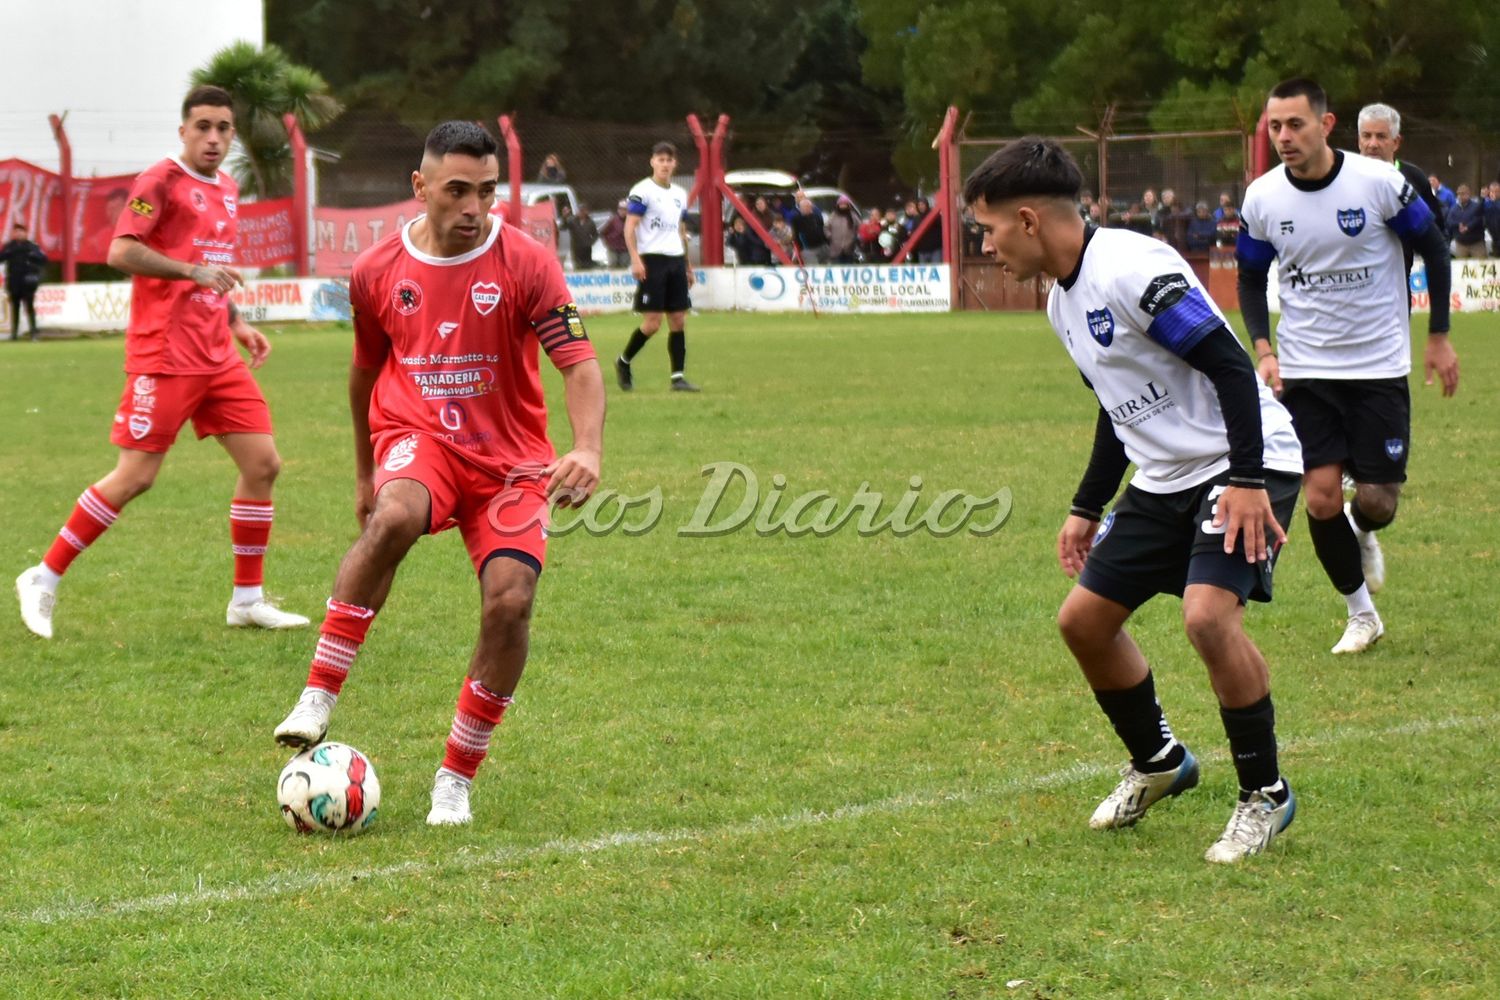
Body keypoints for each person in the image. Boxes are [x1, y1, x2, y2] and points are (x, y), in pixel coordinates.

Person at [965, 138, 1304, 864]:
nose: (986, 246)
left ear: (1027, 219)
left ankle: (1265, 797)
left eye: (988, 230)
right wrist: (1086, 506)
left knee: (1208, 618)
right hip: (1163, 478)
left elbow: (1228, 364)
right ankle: (1159, 761)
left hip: (1246, 461)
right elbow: (1118, 408)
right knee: (1083, 622)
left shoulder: (1130, 270)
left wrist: (1246, 480)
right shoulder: (1061, 301)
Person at [272, 120, 606, 827]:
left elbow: (577, 362)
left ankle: (454, 780)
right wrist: (365, 475)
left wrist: (588, 448)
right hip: (417, 436)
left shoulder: (526, 263)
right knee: (395, 517)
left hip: (512, 462)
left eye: (486, 191)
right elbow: (364, 374)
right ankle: (319, 694)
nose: (473, 207)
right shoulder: (375, 273)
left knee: (510, 603)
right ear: (419, 187)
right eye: (457, 190)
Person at [14, 85, 309, 640]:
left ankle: (246, 600)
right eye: (203, 127)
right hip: (165, 353)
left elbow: (214, 263)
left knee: (262, 464)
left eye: (224, 127)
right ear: (183, 130)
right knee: (136, 476)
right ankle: (43, 575)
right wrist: (190, 272)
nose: (215, 138)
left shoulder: (225, 186)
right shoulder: (160, 181)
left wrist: (237, 321)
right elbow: (120, 251)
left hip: (217, 355)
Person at [1237, 78, 1457, 655]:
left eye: (1295, 125)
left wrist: (1438, 336)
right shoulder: (1262, 198)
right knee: (1320, 497)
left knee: (1379, 501)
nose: (1284, 137)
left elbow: (1434, 248)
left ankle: (1361, 532)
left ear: (1326, 124)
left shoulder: (1379, 184)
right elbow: (1250, 275)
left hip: (1378, 365)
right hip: (1306, 369)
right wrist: (1263, 346)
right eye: (1275, 127)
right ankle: (1362, 614)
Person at [615, 141, 698, 393]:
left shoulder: (680, 194)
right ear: (652, 162)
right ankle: (623, 361)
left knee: (678, 319)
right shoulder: (642, 190)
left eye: (669, 160)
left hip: (674, 260)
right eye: (660, 159)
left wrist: (687, 265)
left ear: (675, 164)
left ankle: (678, 378)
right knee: (652, 323)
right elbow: (630, 227)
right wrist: (635, 258)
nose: (664, 164)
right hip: (652, 260)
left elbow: (681, 230)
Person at [1356, 103, 1448, 289]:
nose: (1372, 144)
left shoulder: (1414, 178)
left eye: (1381, 136)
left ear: (1396, 142)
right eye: (1367, 136)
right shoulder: (1342, 176)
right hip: (1351, 292)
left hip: (1397, 290)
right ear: (1359, 140)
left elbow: (1436, 233)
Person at [1, 222, 47, 340]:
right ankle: (14, 334)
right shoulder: (9, 246)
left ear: (25, 233)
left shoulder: (31, 246)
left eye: (20, 231)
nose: (18, 234)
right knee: (15, 308)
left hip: (28, 281)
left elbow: (43, 259)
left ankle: (34, 332)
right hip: (14, 281)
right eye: (16, 231)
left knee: (29, 307)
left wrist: (34, 257)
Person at [1447, 184, 1486, 259]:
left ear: (1468, 194)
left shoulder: (1476, 206)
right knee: (1461, 267)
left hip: (1477, 244)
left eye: (1463, 194)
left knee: (1481, 265)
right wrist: (1458, 224)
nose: (1460, 196)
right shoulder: (1454, 209)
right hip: (1461, 244)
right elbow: (1449, 221)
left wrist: (1468, 227)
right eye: (1458, 194)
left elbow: (1479, 219)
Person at [790, 196, 830, 264]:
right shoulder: (796, 219)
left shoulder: (817, 216)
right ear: (800, 208)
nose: (807, 208)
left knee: (826, 268)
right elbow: (795, 234)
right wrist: (801, 248)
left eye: (808, 206)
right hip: (808, 250)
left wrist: (827, 243)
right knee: (814, 270)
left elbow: (822, 229)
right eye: (805, 206)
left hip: (822, 246)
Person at [564, 200, 599, 270]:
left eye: (583, 210)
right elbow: (564, 226)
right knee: (578, 266)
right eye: (580, 210)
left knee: (587, 266)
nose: (581, 212)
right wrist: (565, 217)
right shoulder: (573, 221)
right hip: (576, 248)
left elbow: (595, 234)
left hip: (587, 248)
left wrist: (591, 242)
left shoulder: (590, 222)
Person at [827, 195, 859, 263]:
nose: (843, 206)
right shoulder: (833, 216)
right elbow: (826, 228)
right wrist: (830, 236)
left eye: (844, 204)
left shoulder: (853, 216)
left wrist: (854, 238)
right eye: (841, 204)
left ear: (848, 205)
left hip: (849, 248)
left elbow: (859, 228)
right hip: (836, 248)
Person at [599, 200, 630, 269]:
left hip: (625, 249)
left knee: (624, 266)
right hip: (613, 248)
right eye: (621, 209)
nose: (623, 211)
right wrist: (606, 243)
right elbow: (603, 232)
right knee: (612, 266)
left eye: (625, 209)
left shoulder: (630, 221)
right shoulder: (613, 220)